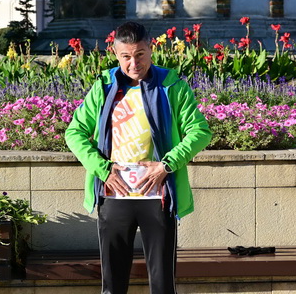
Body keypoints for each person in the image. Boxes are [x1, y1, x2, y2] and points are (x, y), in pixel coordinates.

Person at [65, 21, 212, 294]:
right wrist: (103, 169)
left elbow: (200, 131)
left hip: (157, 195)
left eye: (140, 54)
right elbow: (74, 133)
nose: (134, 63)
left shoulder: (171, 86)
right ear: (115, 53)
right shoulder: (104, 86)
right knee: (112, 286)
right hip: (114, 194)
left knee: (163, 284)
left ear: (151, 49)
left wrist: (167, 165)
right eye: (126, 56)